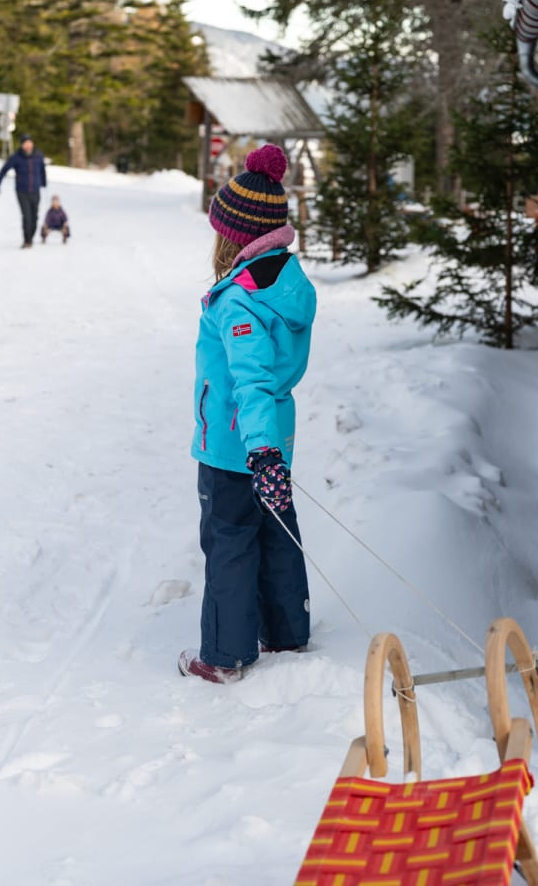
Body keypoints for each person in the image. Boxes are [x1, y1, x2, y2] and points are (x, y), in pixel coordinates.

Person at [179, 145, 317, 684]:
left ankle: (224, 653)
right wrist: (271, 451)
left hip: (238, 445)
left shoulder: (240, 300)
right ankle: (286, 631)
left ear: (232, 232)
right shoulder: (283, 278)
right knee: (276, 529)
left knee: (229, 539)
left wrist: (257, 451)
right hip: (271, 439)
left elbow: (251, 380)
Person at [0, 134, 47, 248]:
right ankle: (27, 240)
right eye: (25, 143)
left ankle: (31, 237)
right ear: (22, 145)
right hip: (21, 191)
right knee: (26, 216)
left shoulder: (38, 156)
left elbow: (42, 170)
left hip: (35, 190)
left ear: (32, 144)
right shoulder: (16, 157)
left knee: (35, 216)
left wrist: (43, 182)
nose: (28, 145)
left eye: (29, 142)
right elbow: (3, 170)